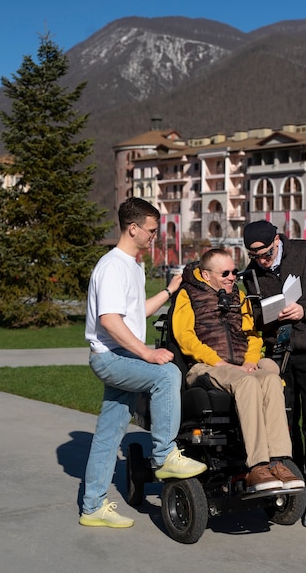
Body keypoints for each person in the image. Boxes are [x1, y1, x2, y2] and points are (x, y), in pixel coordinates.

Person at [80, 198, 206, 529]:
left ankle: (92, 507)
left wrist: (168, 290)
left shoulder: (134, 266)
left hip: (121, 356)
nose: (154, 236)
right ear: (132, 228)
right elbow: (109, 320)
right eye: (151, 230)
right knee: (167, 374)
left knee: (109, 434)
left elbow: (133, 315)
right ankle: (164, 456)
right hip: (110, 358)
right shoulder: (112, 266)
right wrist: (147, 354)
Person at [172, 248, 305, 493]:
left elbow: (252, 335)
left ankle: (278, 460)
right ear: (206, 274)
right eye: (225, 273)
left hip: (240, 366)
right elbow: (185, 337)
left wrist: (251, 361)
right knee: (248, 383)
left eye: (234, 272)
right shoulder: (187, 295)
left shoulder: (239, 296)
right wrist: (218, 362)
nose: (232, 277)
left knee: (272, 379)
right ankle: (257, 465)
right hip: (206, 367)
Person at [242, 220, 306, 527]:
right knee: (283, 426)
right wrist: (266, 314)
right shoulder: (251, 274)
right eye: (254, 256)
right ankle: (293, 489)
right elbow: (255, 317)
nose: (262, 261)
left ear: (277, 240)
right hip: (279, 354)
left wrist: (304, 309)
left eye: (267, 253)